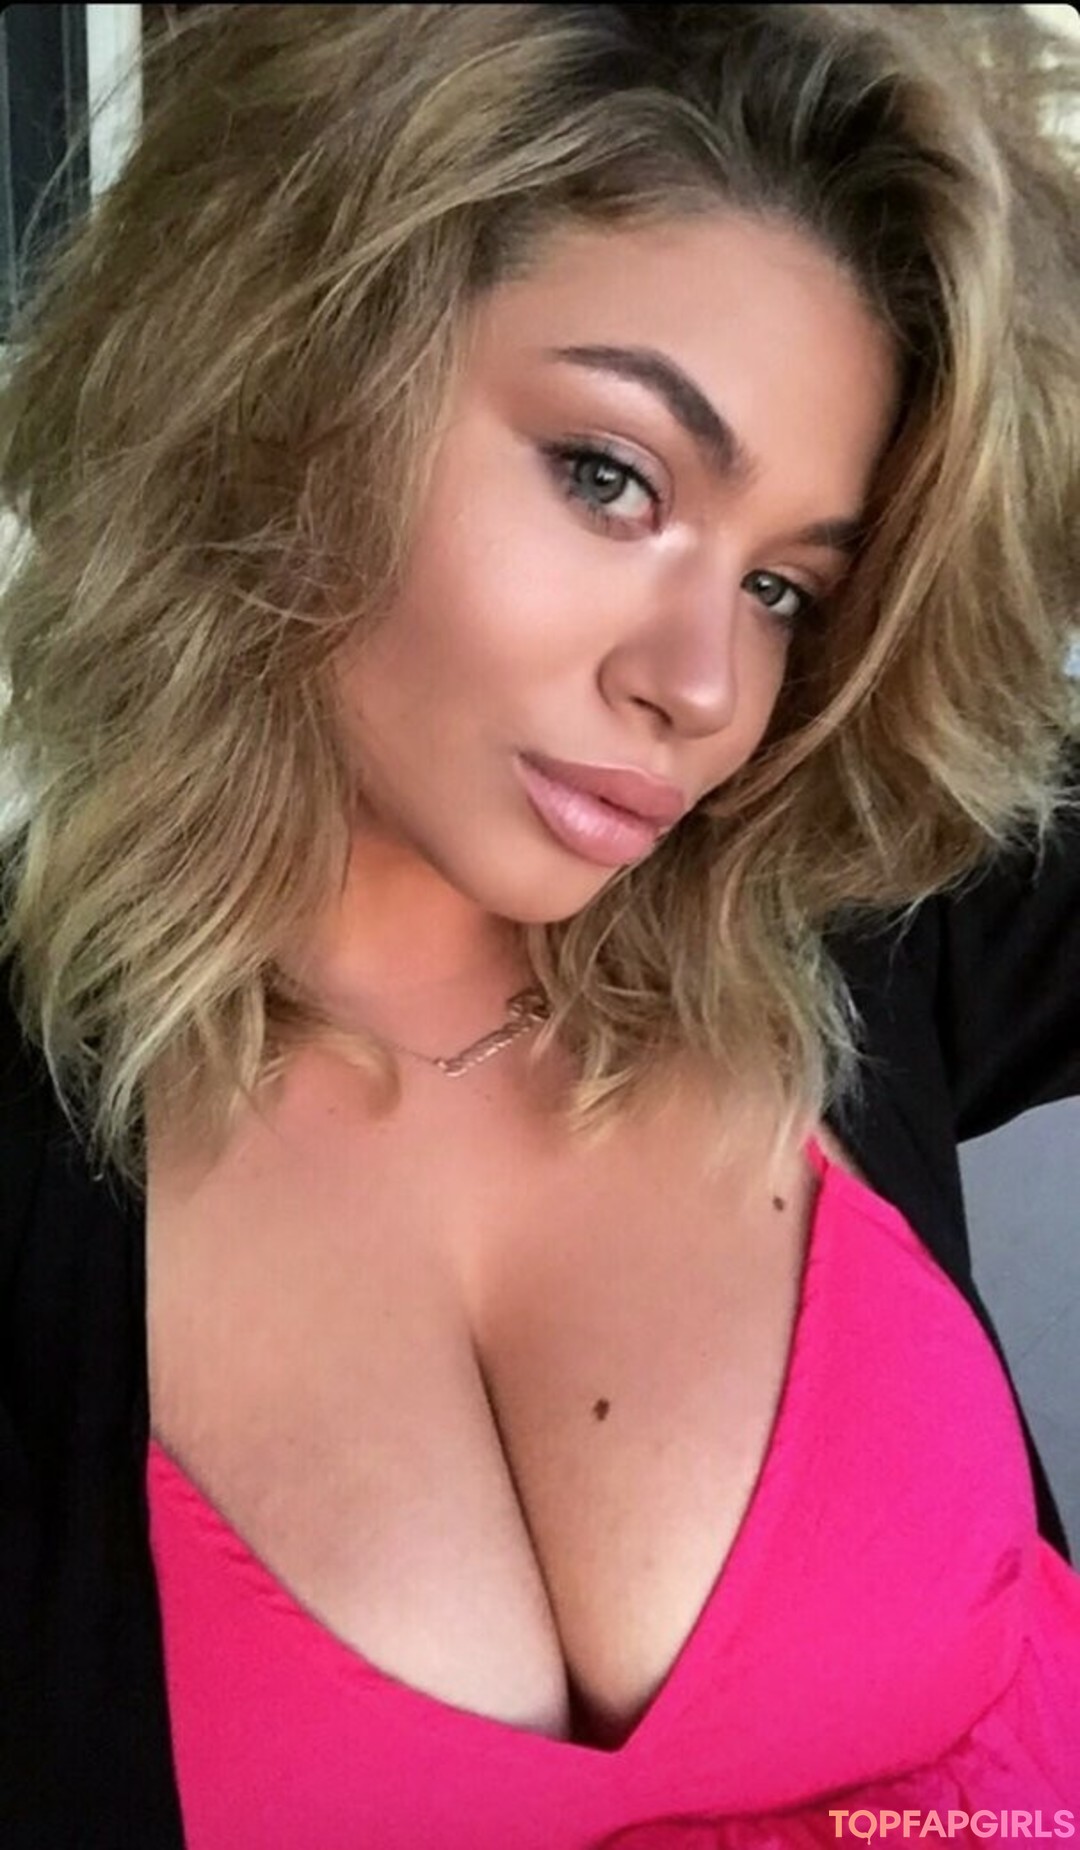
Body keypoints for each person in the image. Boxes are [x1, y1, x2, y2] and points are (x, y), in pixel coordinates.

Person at [0, 3, 1078, 1844]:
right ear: (293, 389)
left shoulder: (844, 908)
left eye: (784, 587)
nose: (703, 688)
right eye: (611, 477)